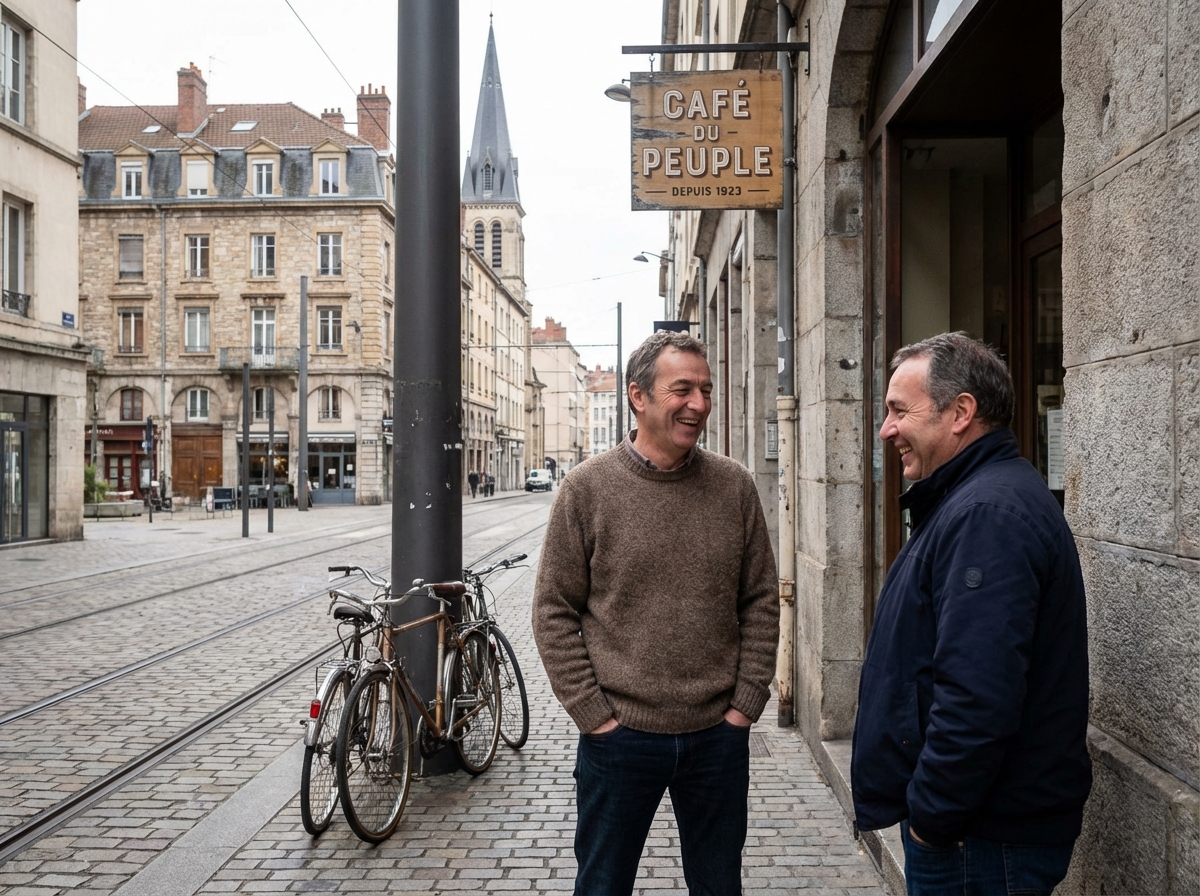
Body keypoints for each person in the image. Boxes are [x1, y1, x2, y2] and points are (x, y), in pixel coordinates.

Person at [532, 330, 779, 896]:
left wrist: (744, 705)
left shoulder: (734, 487)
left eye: (706, 390)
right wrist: (595, 716)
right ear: (637, 396)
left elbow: (761, 599)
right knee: (602, 885)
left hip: (717, 737)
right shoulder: (587, 489)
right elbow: (553, 611)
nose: (698, 404)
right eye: (682, 389)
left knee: (719, 886)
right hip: (619, 740)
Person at [852, 333, 1091, 896]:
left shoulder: (987, 514)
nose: (887, 430)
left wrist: (933, 820)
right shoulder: (974, 500)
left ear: (961, 413)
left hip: (980, 842)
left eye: (898, 411)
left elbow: (978, 696)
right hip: (979, 834)